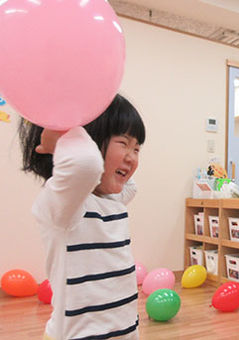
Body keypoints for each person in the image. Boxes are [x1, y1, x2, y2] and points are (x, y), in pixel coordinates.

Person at [19, 94, 145, 340]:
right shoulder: (63, 205)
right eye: (124, 143)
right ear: (90, 141)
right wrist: (63, 138)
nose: (132, 157)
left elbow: (129, 185)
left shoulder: (112, 201)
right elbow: (85, 165)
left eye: (137, 148)